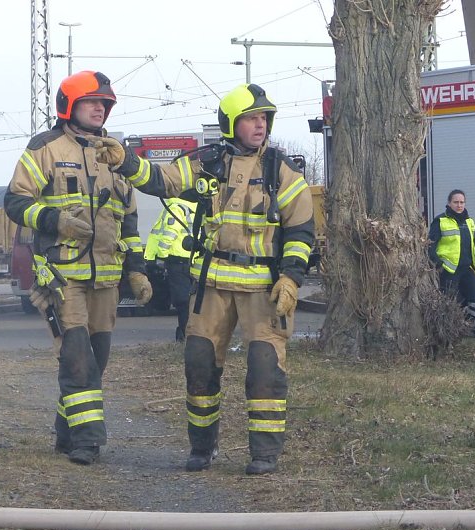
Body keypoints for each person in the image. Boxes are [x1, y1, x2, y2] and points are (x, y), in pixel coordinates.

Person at [92, 83, 314, 475]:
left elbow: (300, 231)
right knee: (198, 362)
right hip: (211, 286)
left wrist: (291, 279)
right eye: (251, 118)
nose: (259, 125)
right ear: (231, 123)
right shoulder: (208, 163)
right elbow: (161, 180)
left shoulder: (281, 170)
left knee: (265, 367)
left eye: (264, 118)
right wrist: (126, 160)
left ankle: (264, 453)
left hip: (263, 288)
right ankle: (202, 448)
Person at [3, 70, 152, 466]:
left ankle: (65, 429)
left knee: (96, 359)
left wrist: (135, 270)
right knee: (77, 357)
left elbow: (130, 221)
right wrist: (56, 221)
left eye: (104, 104)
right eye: (92, 102)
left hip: (106, 278)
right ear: (69, 105)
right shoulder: (45, 149)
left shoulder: (116, 156)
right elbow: (15, 203)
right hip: (62, 276)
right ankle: (88, 443)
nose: (99, 109)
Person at [428, 189, 475, 329]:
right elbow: (430, 246)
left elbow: (474, 246)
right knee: (449, 302)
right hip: (448, 269)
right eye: (456, 202)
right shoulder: (440, 221)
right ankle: (447, 330)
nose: (459, 205)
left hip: (467, 268)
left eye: (462, 202)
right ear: (449, 203)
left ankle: (467, 326)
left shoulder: (469, 222)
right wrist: (438, 264)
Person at [144, 198, 196, 342]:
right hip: (194, 261)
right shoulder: (198, 207)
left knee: (182, 302)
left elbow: (168, 235)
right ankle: (192, 334)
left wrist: (161, 257)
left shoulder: (175, 208)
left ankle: (185, 334)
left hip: (177, 261)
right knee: (195, 301)